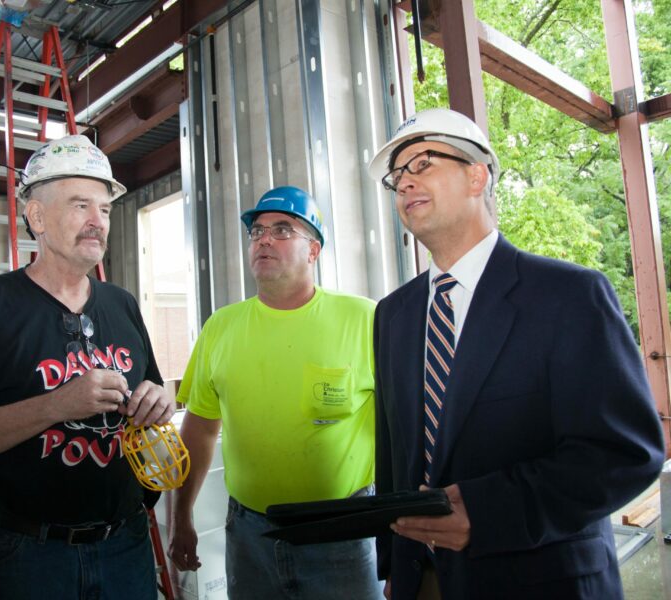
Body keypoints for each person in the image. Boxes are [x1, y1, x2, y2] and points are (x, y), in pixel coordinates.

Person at [367, 107, 666, 600]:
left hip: (538, 579)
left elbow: (625, 453)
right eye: (396, 176)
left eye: (421, 164)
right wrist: (394, 563)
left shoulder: (569, 295)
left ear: (476, 174)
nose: (404, 183)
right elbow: (396, 454)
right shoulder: (393, 315)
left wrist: (489, 511)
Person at [0, 134, 176, 599]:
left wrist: (159, 401)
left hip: (125, 546)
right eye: (81, 206)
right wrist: (57, 404)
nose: (98, 221)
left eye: (105, 208)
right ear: (36, 216)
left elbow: (152, 391)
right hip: (24, 555)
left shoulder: (122, 305)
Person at [167, 185, 383, 599]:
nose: (264, 239)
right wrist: (181, 517)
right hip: (250, 537)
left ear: (314, 251)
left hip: (342, 533)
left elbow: (405, 424)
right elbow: (198, 431)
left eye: (282, 230)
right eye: (257, 232)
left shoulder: (364, 318)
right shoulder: (221, 327)